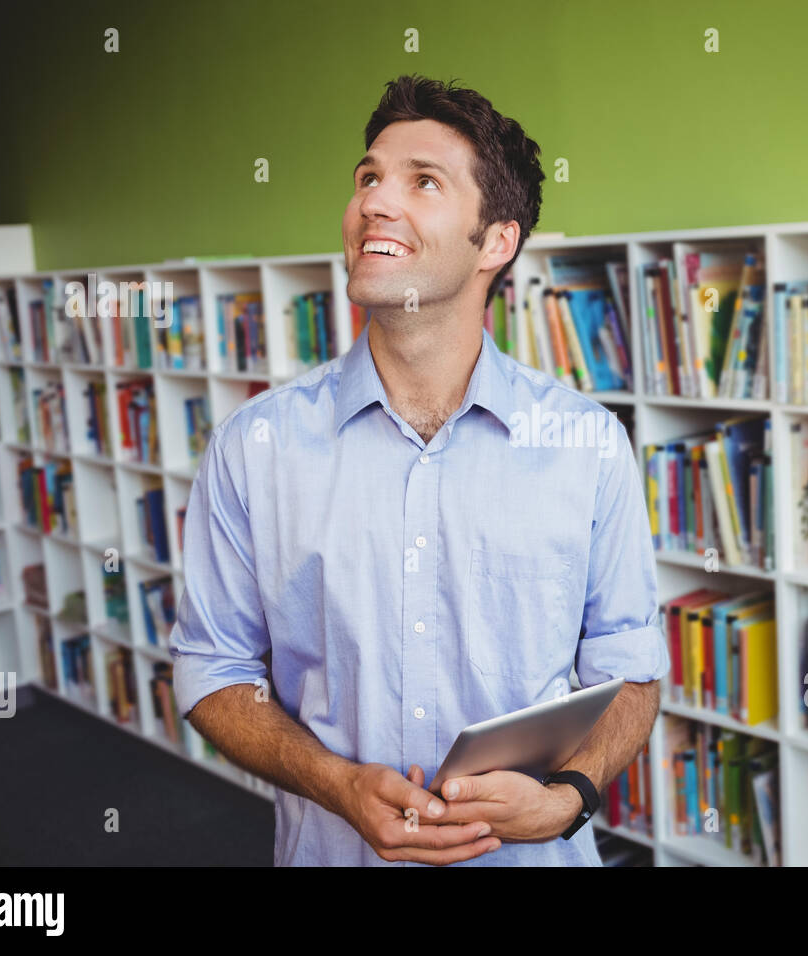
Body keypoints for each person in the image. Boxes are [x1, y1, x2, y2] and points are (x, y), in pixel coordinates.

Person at [170, 74, 668, 866]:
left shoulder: (589, 445)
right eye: (368, 177)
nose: (374, 201)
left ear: (495, 242)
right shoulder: (252, 445)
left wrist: (567, 798)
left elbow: (631, 667)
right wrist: (336, 783)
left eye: (422, 181)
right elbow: (210, 666)